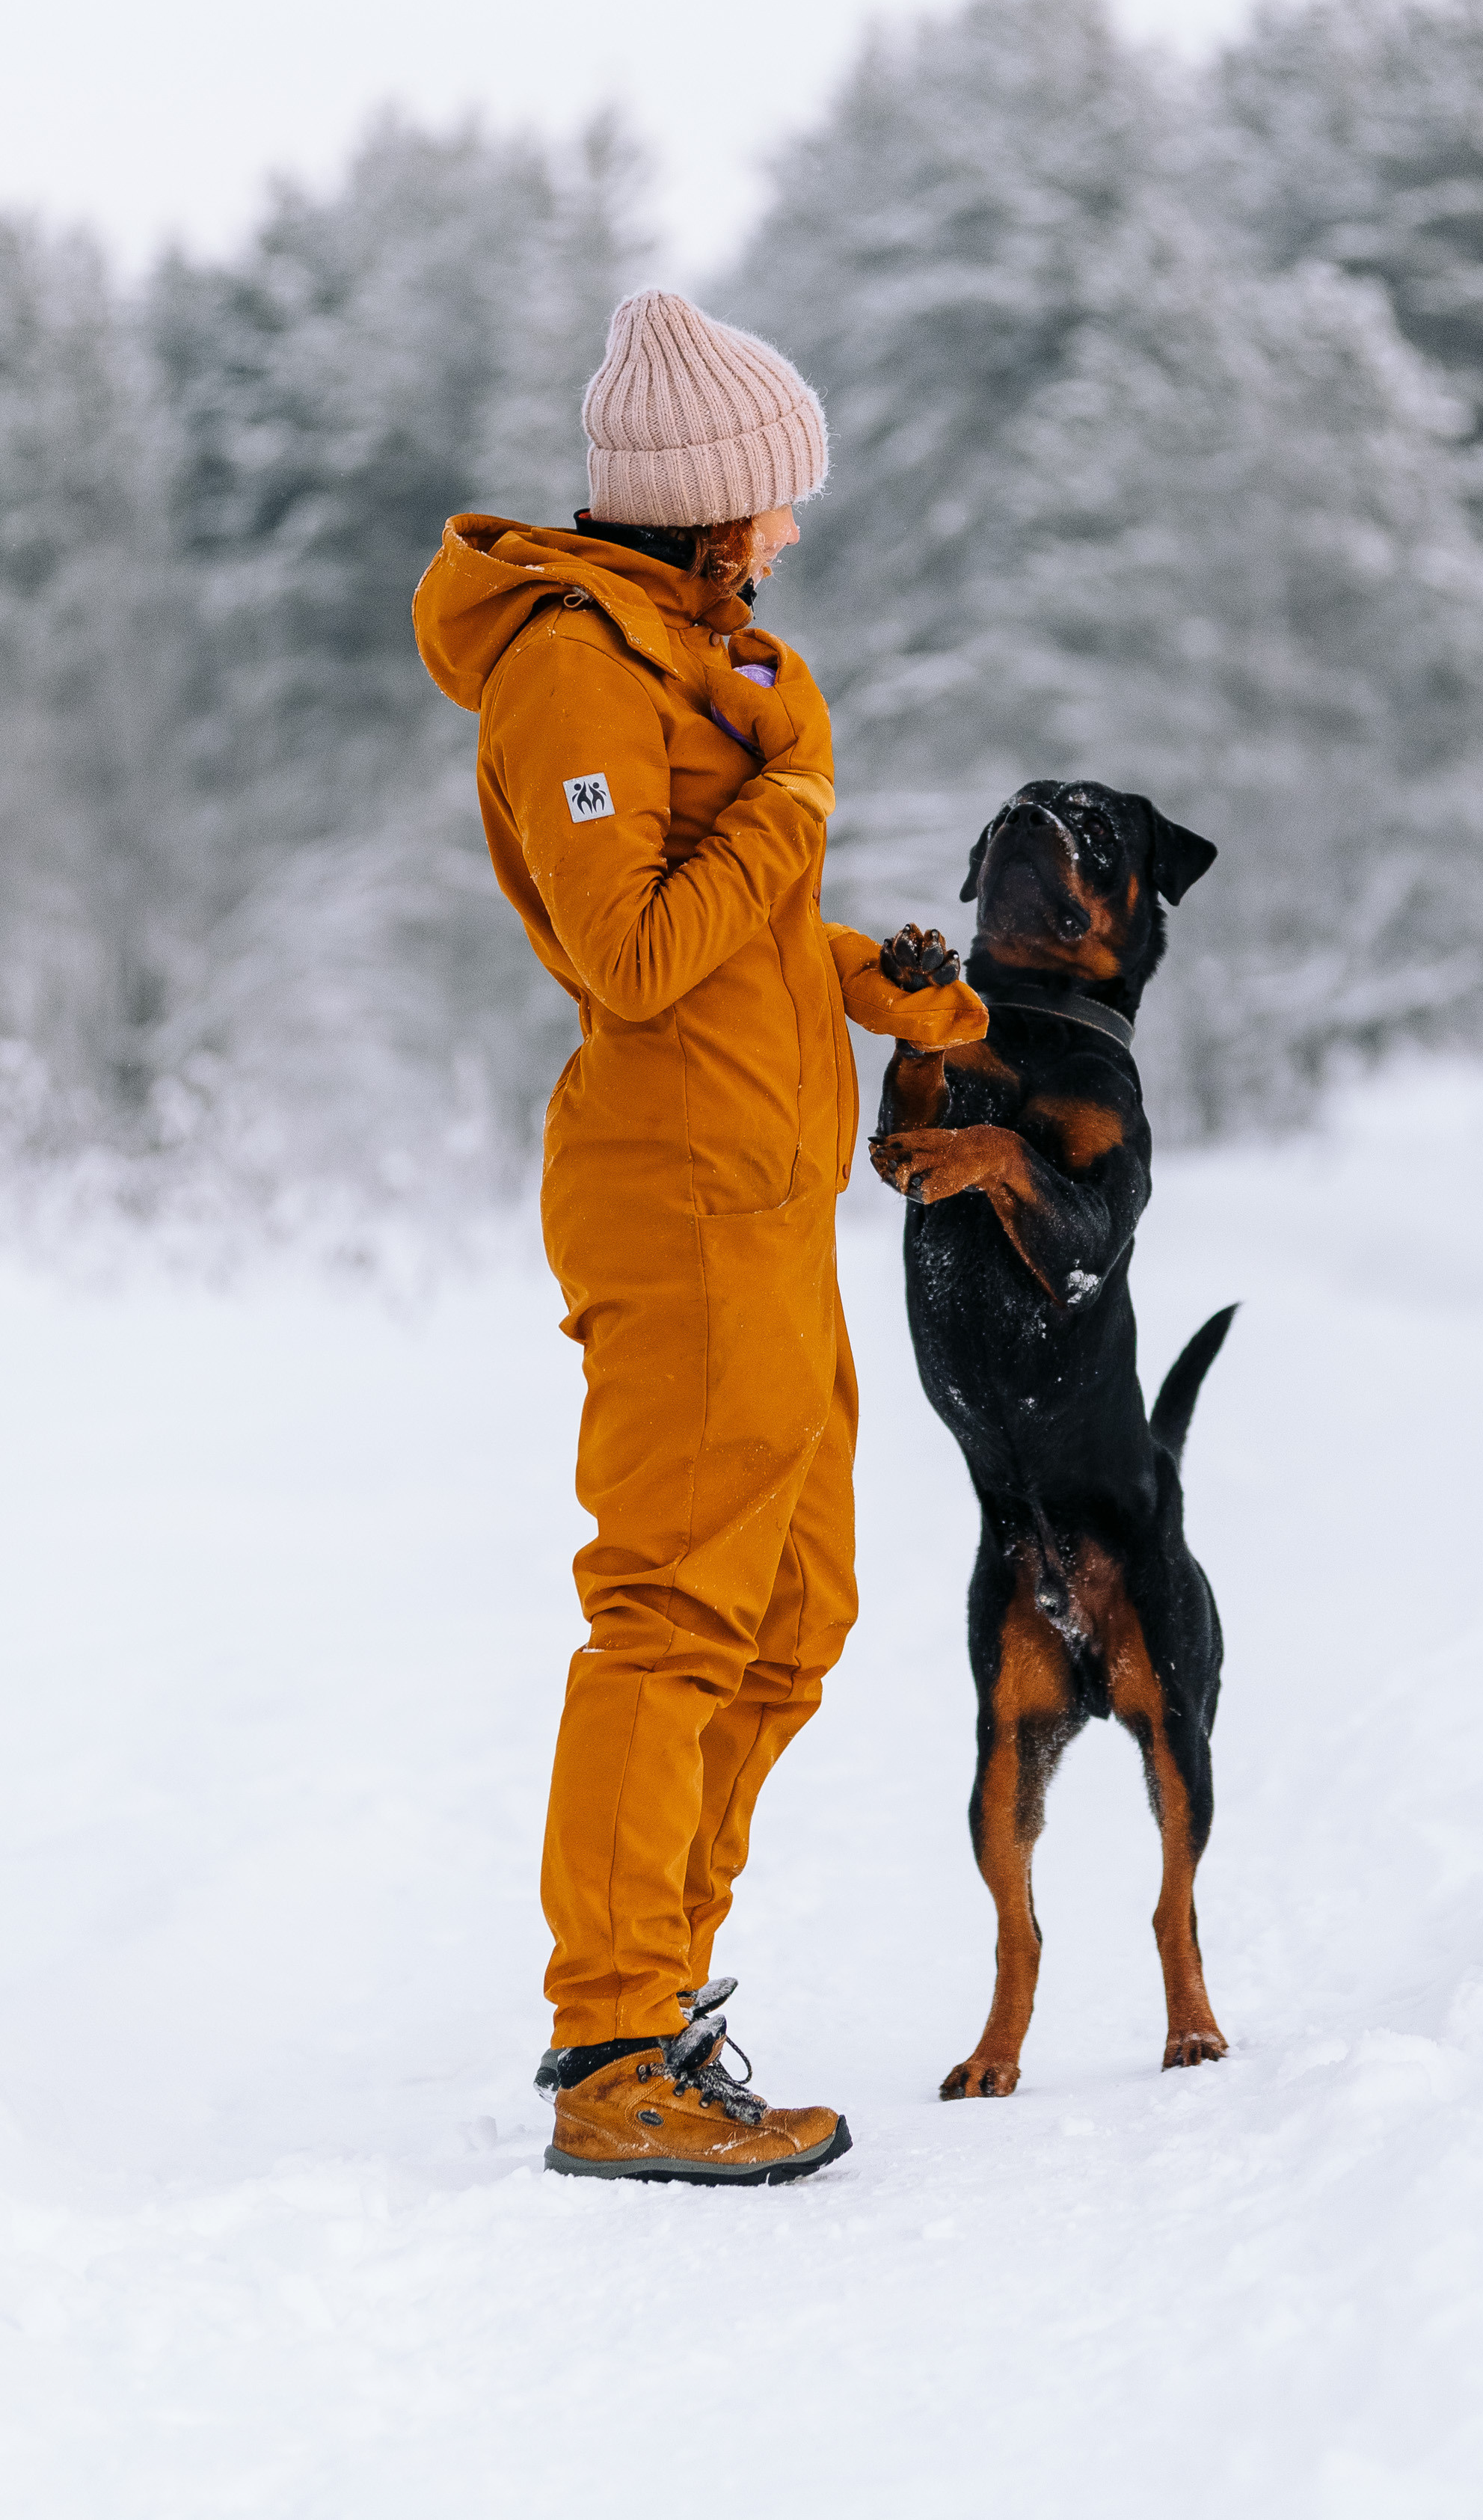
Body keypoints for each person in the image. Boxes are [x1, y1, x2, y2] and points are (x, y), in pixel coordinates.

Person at [413, 290, 985, 2184]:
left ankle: (669, 1975)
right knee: (673, 1609)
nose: (793, 537)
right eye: (776, 506)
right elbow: (635, 949)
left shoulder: (697, 658)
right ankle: (613, 2045)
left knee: (798, 1614)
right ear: (702, 509)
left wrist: (871, 979)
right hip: (675, 1197)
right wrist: (797, 805)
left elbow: (729, 927)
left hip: (769, 1197)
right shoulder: (577, 668)